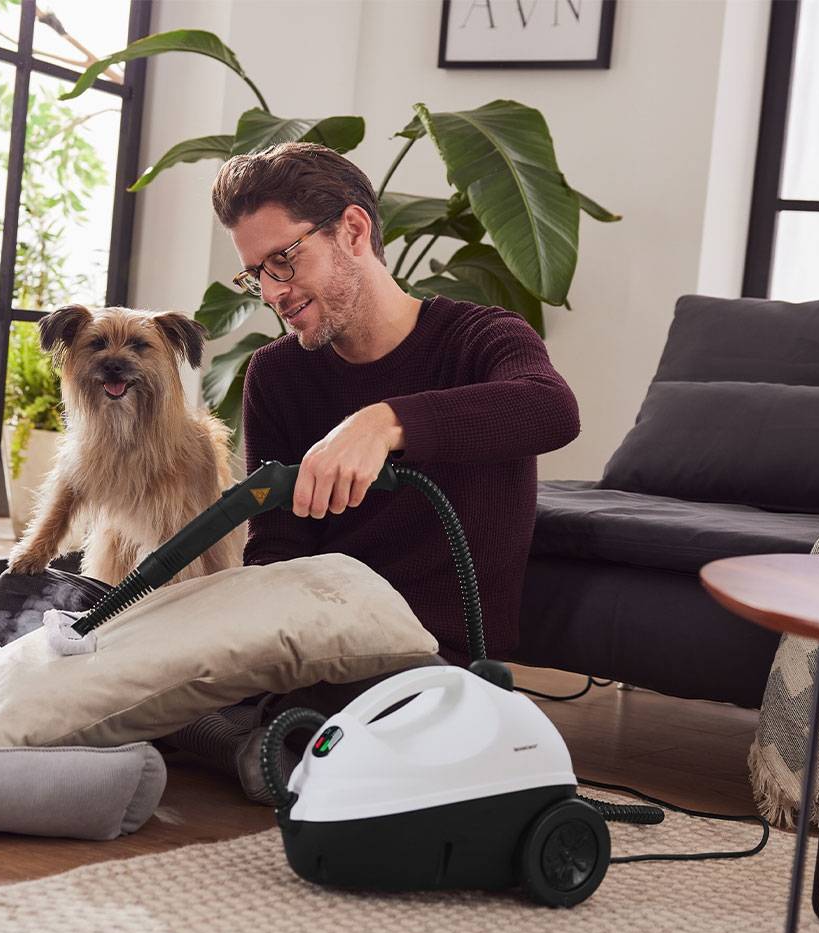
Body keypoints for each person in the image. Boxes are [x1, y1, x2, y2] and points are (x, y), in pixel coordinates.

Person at [214, 141, 580, 667]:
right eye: (257, 275)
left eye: (283, 261)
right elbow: (277, 542)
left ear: (354, 231)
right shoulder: (276, 373)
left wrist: (384, 423)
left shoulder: (480, 339)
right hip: (314, 638)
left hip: (433, 655)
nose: (273, 293)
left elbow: (552, 410)